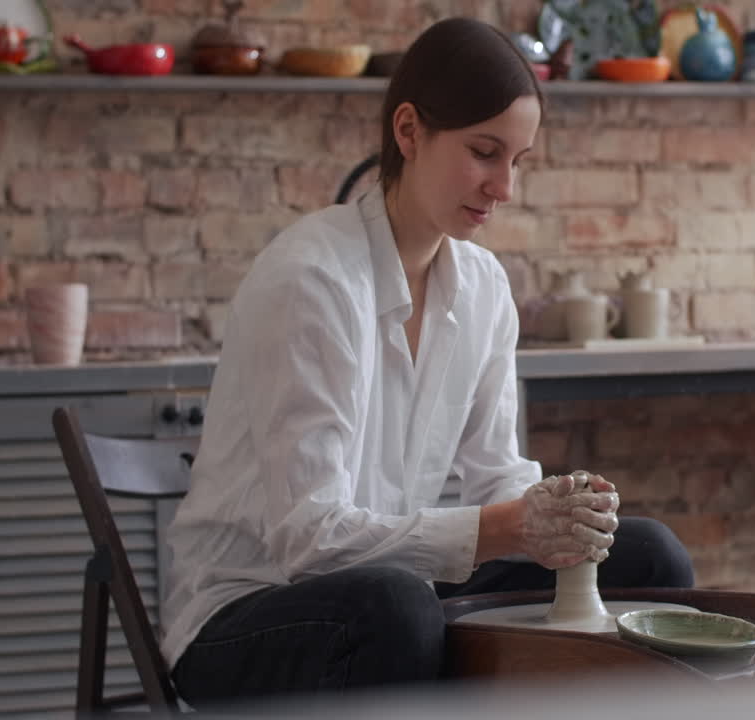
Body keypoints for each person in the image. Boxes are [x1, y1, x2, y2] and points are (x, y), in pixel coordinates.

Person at [162, 16, 694, 708]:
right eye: (484, 152)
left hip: (393, 587)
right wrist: (506, 528)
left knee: (650, 556)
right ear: (409, 132)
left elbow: (496, 470)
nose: (503, 185)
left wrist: (556, 514)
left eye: (518, 159)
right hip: (249, 612)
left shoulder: (482, 286)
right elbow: (308, 539)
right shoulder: (310, 280)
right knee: (399, 608)